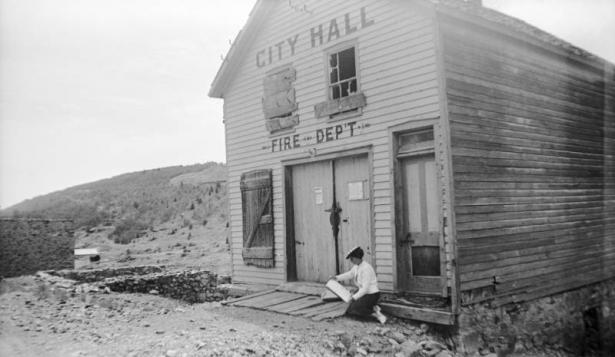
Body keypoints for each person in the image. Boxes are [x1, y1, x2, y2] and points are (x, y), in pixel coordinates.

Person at [329, 246, 387, 324]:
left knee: (355, 310)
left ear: (357, 257)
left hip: (371, 294)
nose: (351, 260)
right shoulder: (357, 266)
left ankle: (376, 314)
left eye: (352, 258)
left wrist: (354, 297)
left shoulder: (366, 268)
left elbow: (365, 289)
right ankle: (372, 307)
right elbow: (350, 274)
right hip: (363, 292)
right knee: (349, 309)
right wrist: (336, 278)